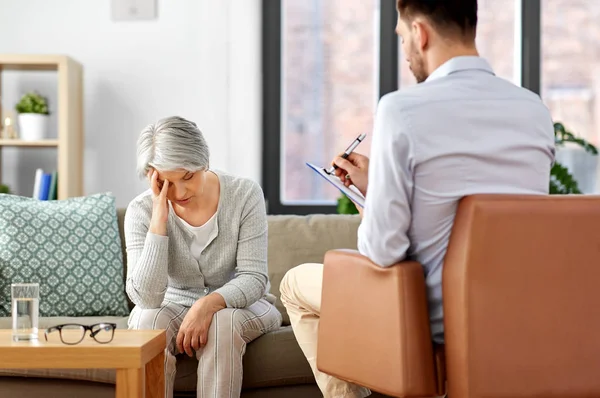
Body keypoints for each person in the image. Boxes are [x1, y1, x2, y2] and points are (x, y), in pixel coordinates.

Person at [279, 0, 556, 397]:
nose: (406, 52)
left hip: (424, 318)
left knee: (292, 284)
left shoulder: (401, 109)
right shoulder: (535, 111)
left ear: (420, 33)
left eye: (402, 37)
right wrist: (379, 187)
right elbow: (470, 207)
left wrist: (372, 205)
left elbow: (382, 250)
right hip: (513, 318)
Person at [125, 116, 282, 398]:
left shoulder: (244, 194)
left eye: (187, 176)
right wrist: (159, 219)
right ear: (152, 175)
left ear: (203, 161)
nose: (181, 192)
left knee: (223, 323)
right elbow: (146, 298)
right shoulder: (141, 210)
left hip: (244, 306)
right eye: (167, 182)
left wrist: (208, 305)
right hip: (174, 304)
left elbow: (254, 278)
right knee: (146, 321)